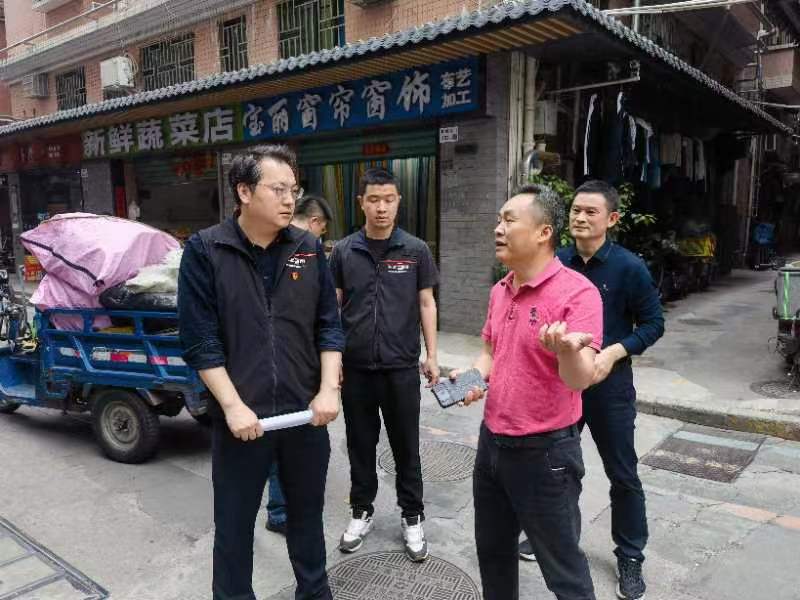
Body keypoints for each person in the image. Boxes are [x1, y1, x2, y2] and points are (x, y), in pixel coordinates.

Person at [178, 144, 344, 600]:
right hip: (242, 423)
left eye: (294, 190)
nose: (290, 200)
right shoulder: (206, 250)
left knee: (307, 520)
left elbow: (329, 326)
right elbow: (200, 341)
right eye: (278, 189)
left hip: (304, 417)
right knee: (234, 528)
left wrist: (328, 390)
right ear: (245, 191)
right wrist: (232, 406)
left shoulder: (308, 248)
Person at [455, 183, 602, 600]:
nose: (498, 228)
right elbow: (490, 353)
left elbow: (579, 379)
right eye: (498, 220)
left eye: (509, 220)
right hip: (492, 445)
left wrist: (567, 351)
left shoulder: (578, 293)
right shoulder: (500, 290)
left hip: (546, 454)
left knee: (564, 570)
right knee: (494, 555)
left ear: (544, 232)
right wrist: (471, 379)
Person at [520, 180, 664, 600]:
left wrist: (614, 352)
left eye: (591, 212)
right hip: (563, 385)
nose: (580, 218)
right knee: (557, 469)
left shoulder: (629, 268)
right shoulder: (556, 262)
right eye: (576, 211)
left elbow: (653, 324)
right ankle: (556, 538)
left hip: (609, 388)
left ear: (612, 218)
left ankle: (630, 556)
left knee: (623, 474)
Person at [329, 167, 439, 562]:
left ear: (398, 202)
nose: (381, 207)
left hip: (400, 368)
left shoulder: (415, 250)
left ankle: (412, 515)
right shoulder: (344, 251)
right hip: (356, 369)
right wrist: (333, 360)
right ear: (361, 202)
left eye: (388, 199)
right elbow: (333, 308)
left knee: (406, 445)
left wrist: (432, 356)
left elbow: (426, 302)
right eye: (374, 199)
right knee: (360, 444)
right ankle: (361, 511)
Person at [265, 193, 335, 536]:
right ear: (316, 222)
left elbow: (326, 319)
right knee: (283, 444)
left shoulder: (305, 252)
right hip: (286, 370)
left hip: (296, 368)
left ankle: (284, 509)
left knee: (289, 445)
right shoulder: (294, 249)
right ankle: (281, 511)